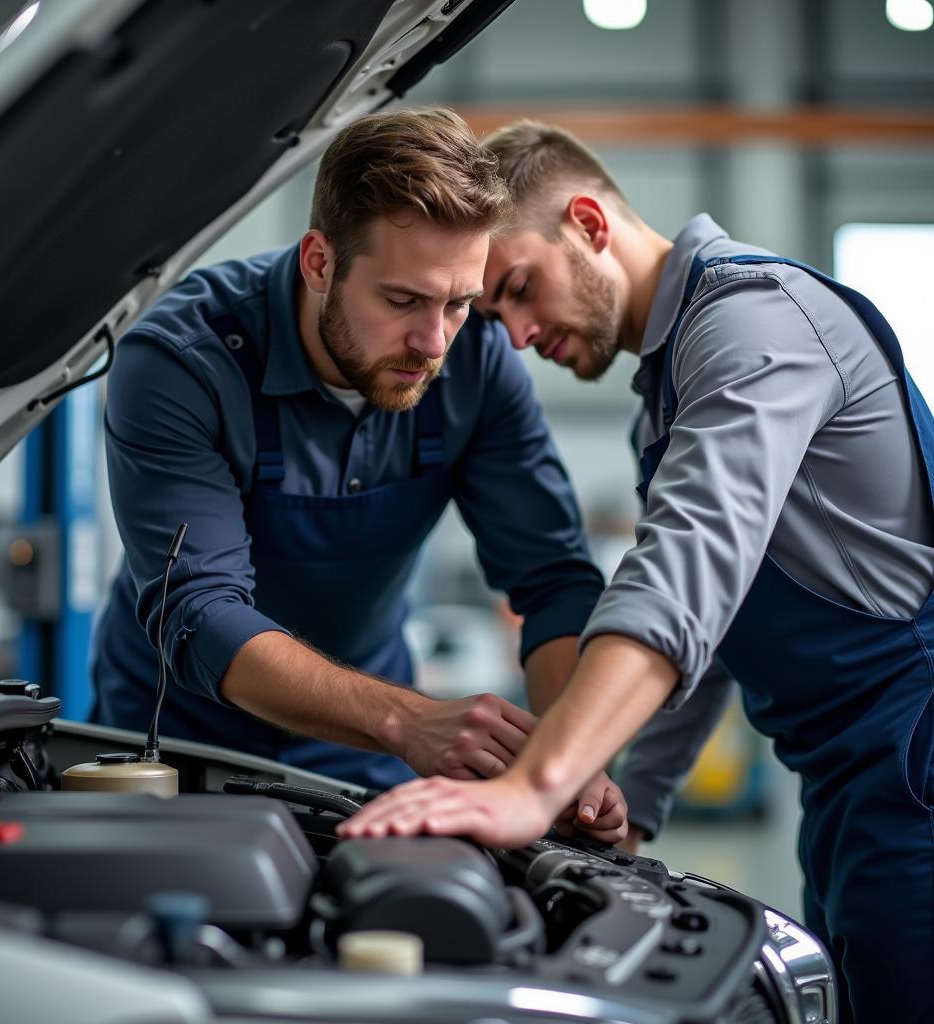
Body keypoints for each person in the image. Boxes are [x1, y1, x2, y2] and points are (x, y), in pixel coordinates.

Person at [340, 120, 934, 1023]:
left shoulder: (754, 325)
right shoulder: (664, 402)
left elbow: (687, 571)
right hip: (851, 789)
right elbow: (719, 633)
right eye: (497, 319)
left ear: (588, 220)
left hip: (918, 760)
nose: (521, 333)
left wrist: (531, 786)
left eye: (519, 290)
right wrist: (631, 811)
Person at [90, 108, 626, 828]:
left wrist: (566, 768)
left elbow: (553, 578)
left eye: (460, 303)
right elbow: (199, 612)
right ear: (319, 261)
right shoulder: (182, 362)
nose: (433, 342)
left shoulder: (476, 362)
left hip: (371, 748)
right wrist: (409, 720)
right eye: (402, 300)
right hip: (177, 744)